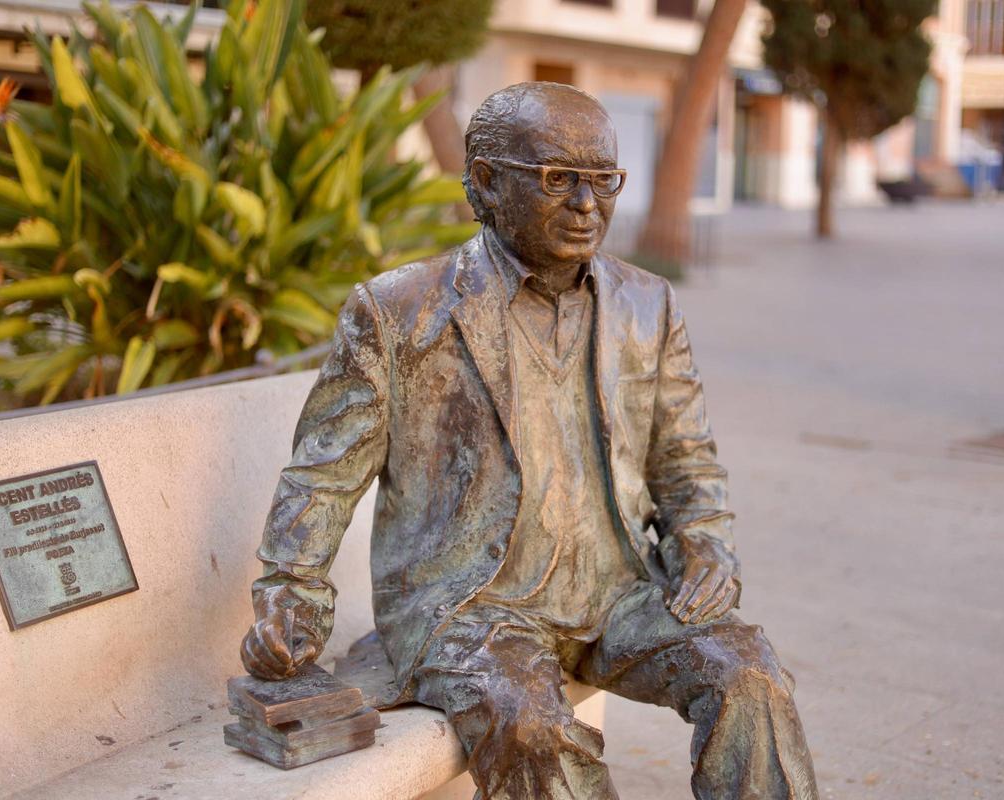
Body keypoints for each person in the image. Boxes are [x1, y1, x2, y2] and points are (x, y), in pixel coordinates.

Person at [240, 81, 818, 800]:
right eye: (557, 179)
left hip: (619, 592)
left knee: (749, 671)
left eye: (603, 180)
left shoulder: (648, 303)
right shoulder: (398, 312)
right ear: (485, 181)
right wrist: (291, 596)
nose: (586, 204)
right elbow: (323, 477)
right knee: (531, 726)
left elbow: (685, 456)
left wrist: (705, 543)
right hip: (474, 607)